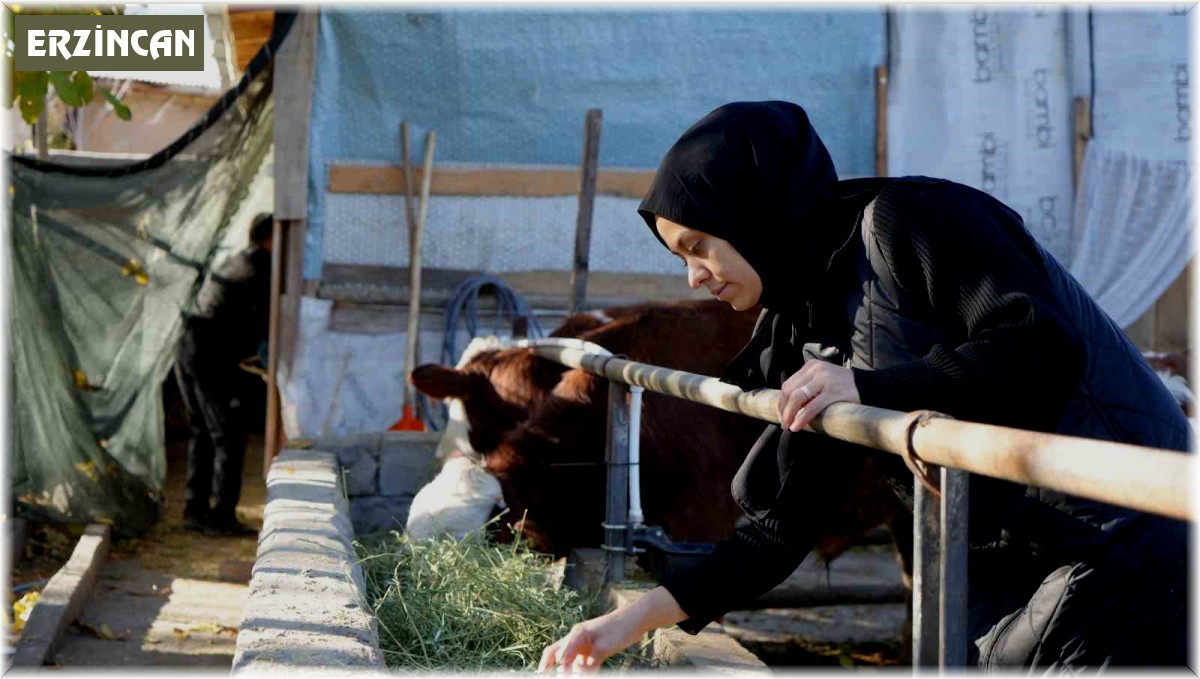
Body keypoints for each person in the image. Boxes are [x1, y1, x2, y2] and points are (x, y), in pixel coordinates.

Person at [537, 102, 1190, 671]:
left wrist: (872, 385)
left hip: (1123, 544)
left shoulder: (913, 221)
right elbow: (779, 527)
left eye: (698, 245)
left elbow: (1041, 347)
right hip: (1017, 577)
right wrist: (630, 620)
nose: (694, 277)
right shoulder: (815, 320)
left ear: (751, 208)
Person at [175, 212, 274, 536]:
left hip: (189, 350)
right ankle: (221, 518)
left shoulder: (236, 261)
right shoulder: (260, 270)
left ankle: (195, 510)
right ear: (272, 240)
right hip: (210, 358)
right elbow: (263, 323)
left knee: (205, 432)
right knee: (228, 436)